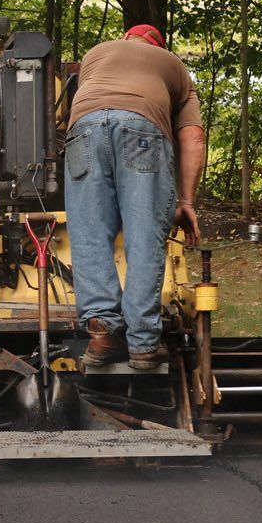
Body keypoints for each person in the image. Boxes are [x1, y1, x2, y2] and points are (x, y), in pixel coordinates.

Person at [65, 23, 207, 371]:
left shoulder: (96, 55)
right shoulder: (172, 65)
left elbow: (99, 112)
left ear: (126, 39)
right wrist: (186, 202)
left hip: (83, 130)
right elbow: (193, 139)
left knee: (89, 235)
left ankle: (101, 334)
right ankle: (143, 344)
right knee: (144, 235)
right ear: (157, 45)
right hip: (141, 132)